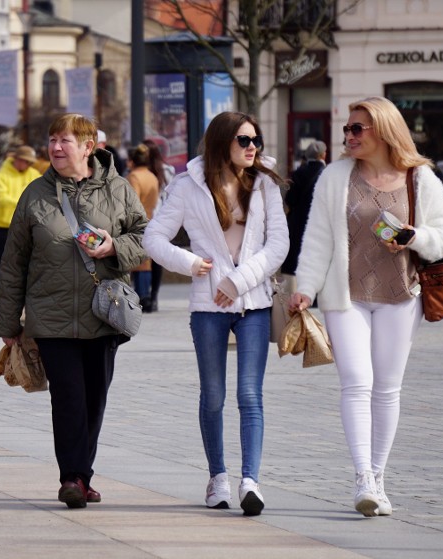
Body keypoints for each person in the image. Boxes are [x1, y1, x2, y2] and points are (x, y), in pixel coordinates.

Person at [289, 96, 443, 517]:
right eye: (347, 129)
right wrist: (305, 287)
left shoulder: (421, 178)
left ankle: (379, 477)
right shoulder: (336, 176)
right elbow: (318, 237)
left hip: (403, 295)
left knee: (387, 387)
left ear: (382, 130)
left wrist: (413, 236)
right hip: (346, 297)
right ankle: (362, 476)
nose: (348, 136)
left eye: (356, 129)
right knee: (356, 380)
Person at [0, 113, 148, 509]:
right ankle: (72, 478)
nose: (56, 148)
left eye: (65, 141)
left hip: (103, 314)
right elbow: (14, 261)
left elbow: (147, 238)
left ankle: (83, 473)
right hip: (51, 316)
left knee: (95, 398)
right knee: (67, 399)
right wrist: (9, 322)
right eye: (53, 140)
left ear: (88, 147)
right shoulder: (35, 194)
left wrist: (114, 246)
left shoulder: (119, 189)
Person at [143, 111, 288, 517]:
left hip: (254, 303)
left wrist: (238, 282)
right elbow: (153, 237)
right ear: (223, 141)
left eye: (255, 139)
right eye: (244, 140)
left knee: (249, 394)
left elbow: (278, 245)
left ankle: (250, 482)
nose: (252, 147)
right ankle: (218, 478)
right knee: (213, 395)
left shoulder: (264, 184)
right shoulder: (188, 186)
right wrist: (190, 263)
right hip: (207, 306)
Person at [0, 145, 41, 308]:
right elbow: (1, 198)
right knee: (2, 259)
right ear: (17, 159)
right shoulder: (2, 174)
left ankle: (23, 293)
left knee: (27, 258)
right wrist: (24, 203)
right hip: (2, 223)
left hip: (25, 223)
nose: (27, 165)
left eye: (29, 162)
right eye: (25, 161)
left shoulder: (34, 174)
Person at [282, 140, 327, 278]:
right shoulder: (327, 173)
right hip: (319, 224)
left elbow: (290, 200)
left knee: (297, 260)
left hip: (298, 222)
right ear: (322, 155)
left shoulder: (299, 172)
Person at [142, 138, 175, 313]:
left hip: (156, 219)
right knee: (153, 260)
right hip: (159, 218)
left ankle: (151, 296)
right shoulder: (165, 171)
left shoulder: (166, 171)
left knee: (152, 259)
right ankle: (150, 297)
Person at [126, 143, 160, 311]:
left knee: (138, 262)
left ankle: (141, 297)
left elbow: (132, 201)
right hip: (150, 219)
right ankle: (146, 296)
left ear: (132, 161)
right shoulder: (152, 176)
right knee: (146, 261)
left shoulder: (134, 177)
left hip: (137, 222)